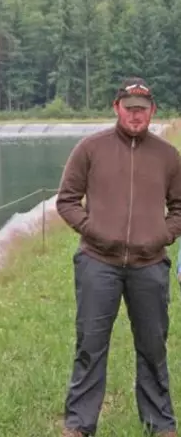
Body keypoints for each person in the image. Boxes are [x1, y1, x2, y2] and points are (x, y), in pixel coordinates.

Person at [57, 78, 181, 437]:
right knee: (90, 346)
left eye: (142, 109)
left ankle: (160, 424)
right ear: (117, 108)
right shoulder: (90, 149)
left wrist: (162, 235)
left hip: (149, 265)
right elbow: (66, 200)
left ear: (152, 111)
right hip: (98, 263)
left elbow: (178, 207)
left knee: (153, 347)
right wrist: (94, 230)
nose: (135, 115)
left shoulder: (168, 156)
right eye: (129, 108)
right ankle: (80, 424)